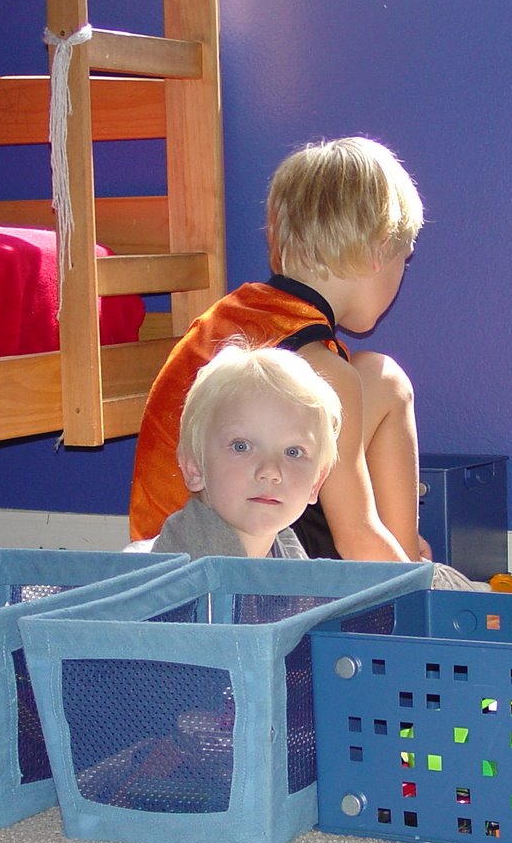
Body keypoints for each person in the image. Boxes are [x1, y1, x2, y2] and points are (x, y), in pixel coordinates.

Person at [130, 136, 428, 565]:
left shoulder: (235, 313)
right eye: (405, 257)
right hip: (236, 556)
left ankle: (399, 555)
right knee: (389, 383)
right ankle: (408, 573)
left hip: (164, 539)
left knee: (378, 376)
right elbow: (354, 535)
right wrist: (415, 586)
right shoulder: (321, 370)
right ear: (381, 249)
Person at [150, 342, 339, 559]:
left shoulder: (289, 554)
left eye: (293, 452)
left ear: (316, 482)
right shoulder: (184, 569)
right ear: (195, 468)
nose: (270, 471)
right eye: (241, 447)